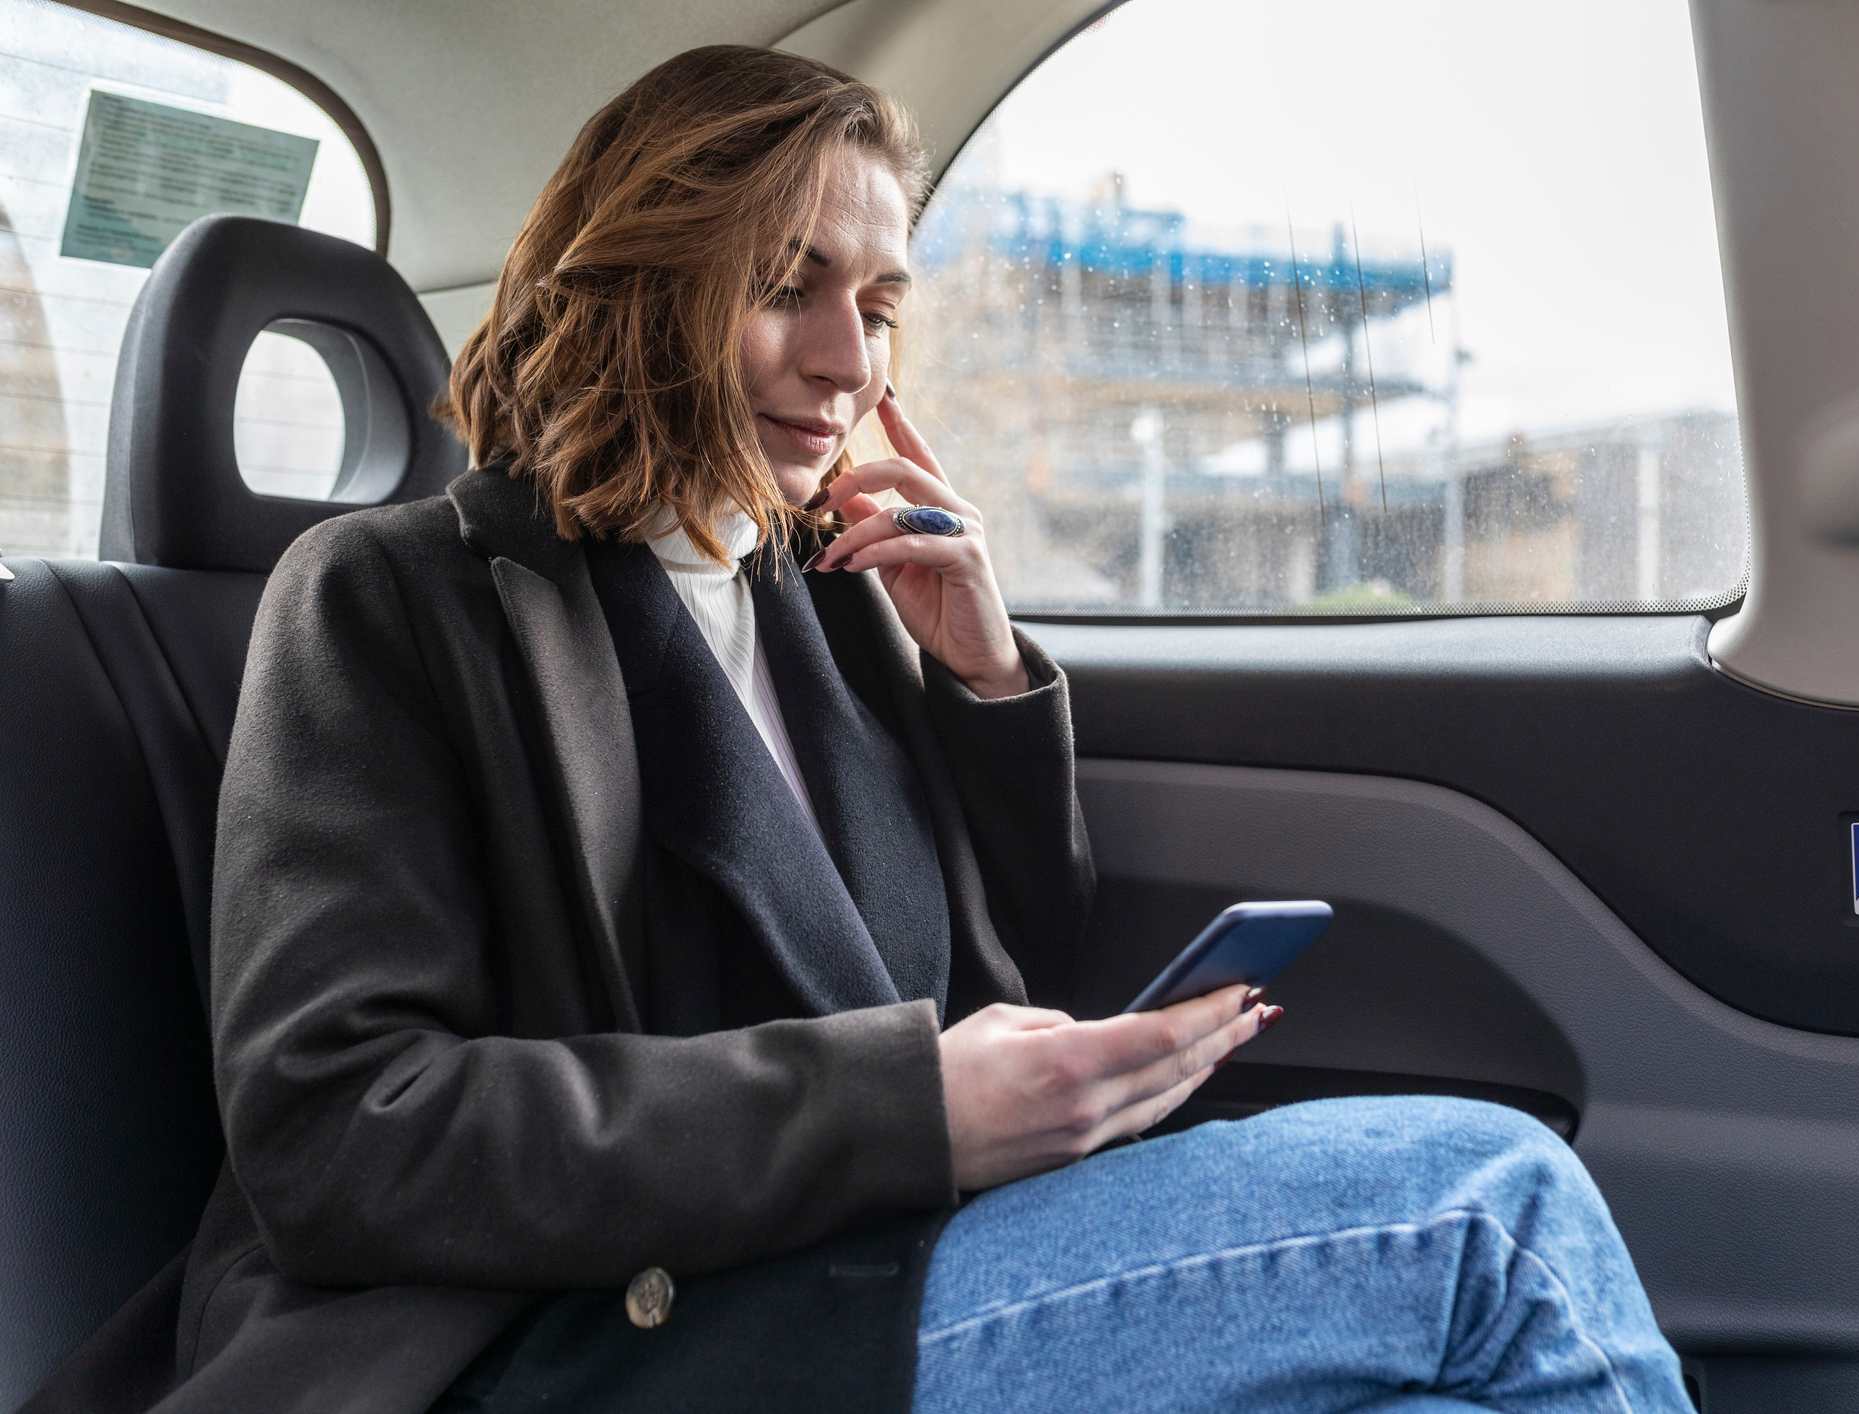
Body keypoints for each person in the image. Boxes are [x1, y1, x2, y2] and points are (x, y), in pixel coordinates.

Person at [23, 44, 1693, 1414]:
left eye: (877, 305)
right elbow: (341, 1133)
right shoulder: (388, 599)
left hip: (859, 1257)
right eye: (782, 286)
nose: (842, 359)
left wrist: (981, 685)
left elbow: (973, 976)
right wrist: (908, 1110)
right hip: (575, 1341)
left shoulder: (816, 597)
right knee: (1495, 1212)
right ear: (634, 283)